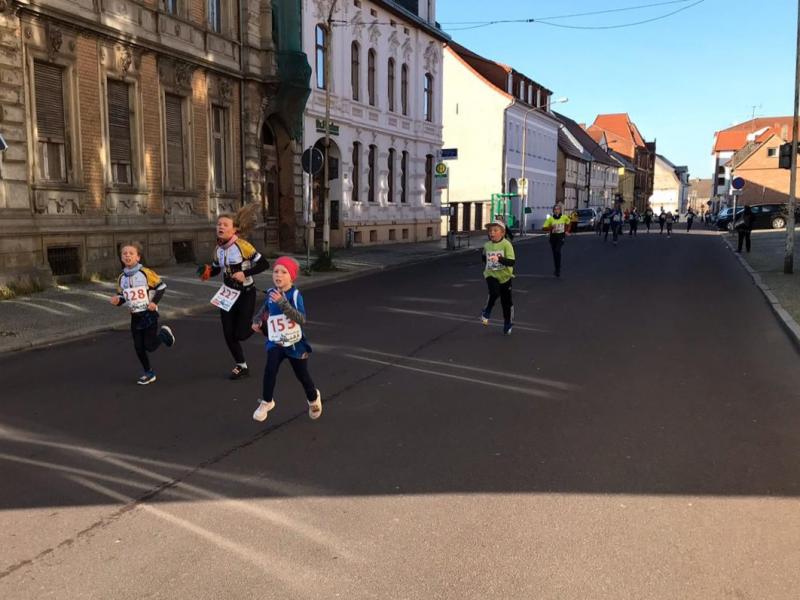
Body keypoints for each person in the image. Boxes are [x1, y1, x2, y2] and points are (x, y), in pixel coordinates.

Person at [199, 204, 269, 380]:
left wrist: (245, 273)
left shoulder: (243, 246)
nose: (220, 227)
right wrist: (207, 272)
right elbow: (216, 269)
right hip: (227, 294)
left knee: (241, 334)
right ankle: (241, 366)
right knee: (228, 333)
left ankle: (261, 323)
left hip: (246, 293)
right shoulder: (218, 249)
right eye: (218, 224)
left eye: (225, 224)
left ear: (234, 229)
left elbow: (264, 264)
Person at [251, 257, 322, 423]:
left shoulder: (295, 295)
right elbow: (265, 309)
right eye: (276, 271)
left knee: (302, 375)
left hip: (294, 343)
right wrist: (257, 321)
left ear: (292, 277)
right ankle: (267, 401)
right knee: (270, 369)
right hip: (276, 341)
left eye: (284, 272)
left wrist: (282, 302)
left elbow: (301, 319)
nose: (278, 275)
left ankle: (313, 398)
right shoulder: (271, 293)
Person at [110, 242, 176, 385]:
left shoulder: (146, 273)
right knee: (138, 347)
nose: (127, 255)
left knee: (149, 346)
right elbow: (123, 297)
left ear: (138, 257)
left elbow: (161, 287)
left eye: (131, 253)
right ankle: (149, 373)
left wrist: (154, 303)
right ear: (121, 257)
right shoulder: (121, 277)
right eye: (124, 253)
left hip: (149, 314)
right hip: (135, 316)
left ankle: (164, 334)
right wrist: (117, 300)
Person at [480, 219, 515, 335]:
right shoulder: (487, 245)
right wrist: (490, 264)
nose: (492, 233)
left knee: (506, 303)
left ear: (502, 232)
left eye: (495, 230)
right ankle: (487, 310)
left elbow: (511, 262)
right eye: (490, 231)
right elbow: (484, 258)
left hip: (505, 277)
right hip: (491, 274)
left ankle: (508, 323)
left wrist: (499, 259)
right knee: (494, 292)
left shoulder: (506, 244)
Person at [542, 204, 571, 278]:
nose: (556, 210)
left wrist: (567, 230)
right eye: (555, 209)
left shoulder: (564, 217)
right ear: (553, 211)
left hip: (561, 236)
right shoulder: (550, 219)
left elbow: (568, 223)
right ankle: (557, 269)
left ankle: (558, 269)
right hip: (553, 238)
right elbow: (543, 228)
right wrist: (550, 227)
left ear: (560, 210)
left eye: (558, 209)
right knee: (555, 254)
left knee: (557, 250)